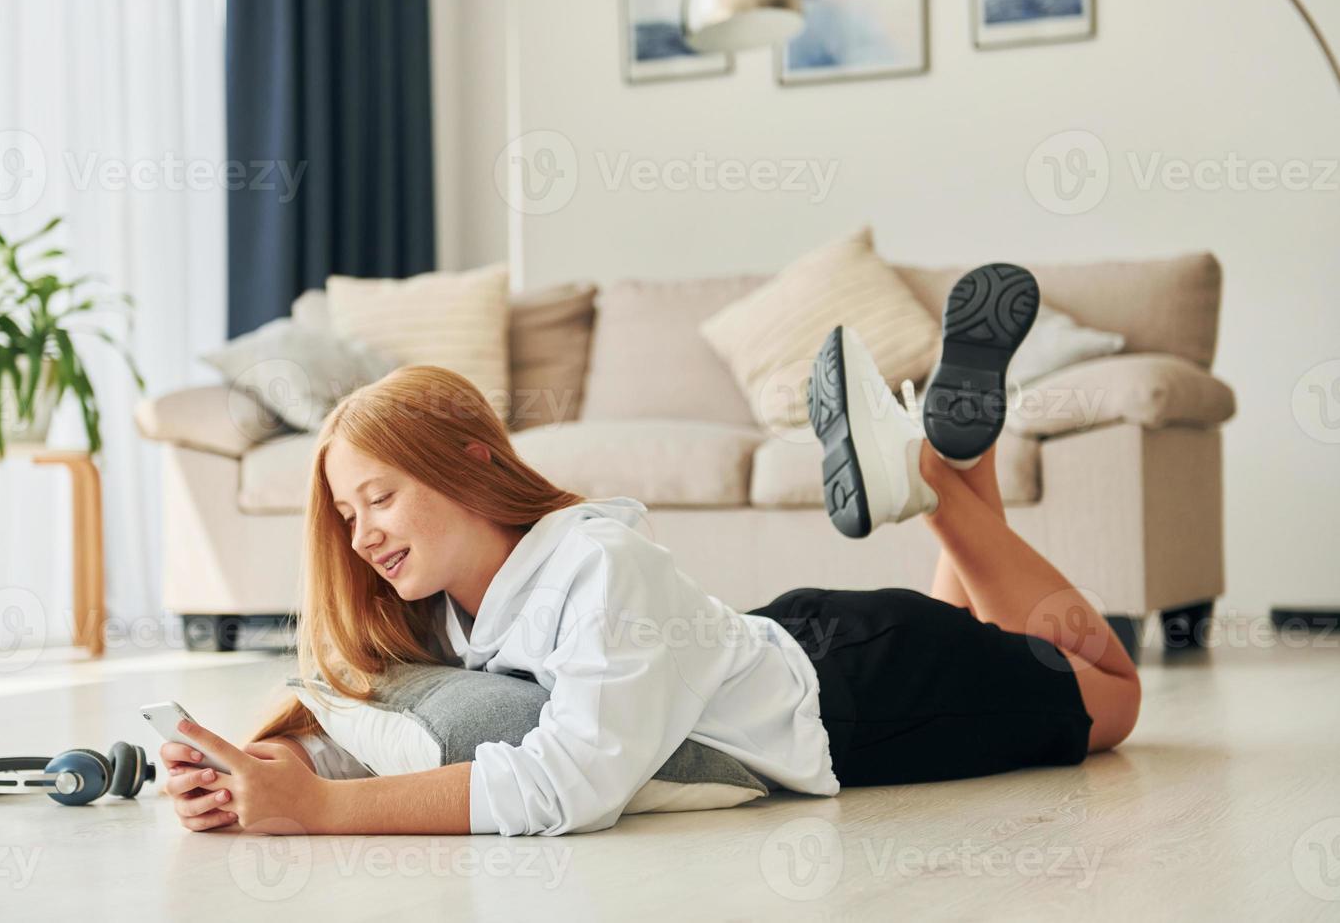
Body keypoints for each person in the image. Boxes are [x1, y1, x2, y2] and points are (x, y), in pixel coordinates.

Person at [159, 264, 1140, 837]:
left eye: (379, 496)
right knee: (983, 628)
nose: (362, 533)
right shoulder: (453, 606)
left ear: (468, 462)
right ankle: (944, 458)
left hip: (864, 693)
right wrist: (263, 761)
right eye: (346, 514)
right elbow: (387, 728)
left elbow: (572, 782)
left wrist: (326, 813)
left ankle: (933, 489)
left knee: (1114, 693)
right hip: (807, 645)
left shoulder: (594, 566)